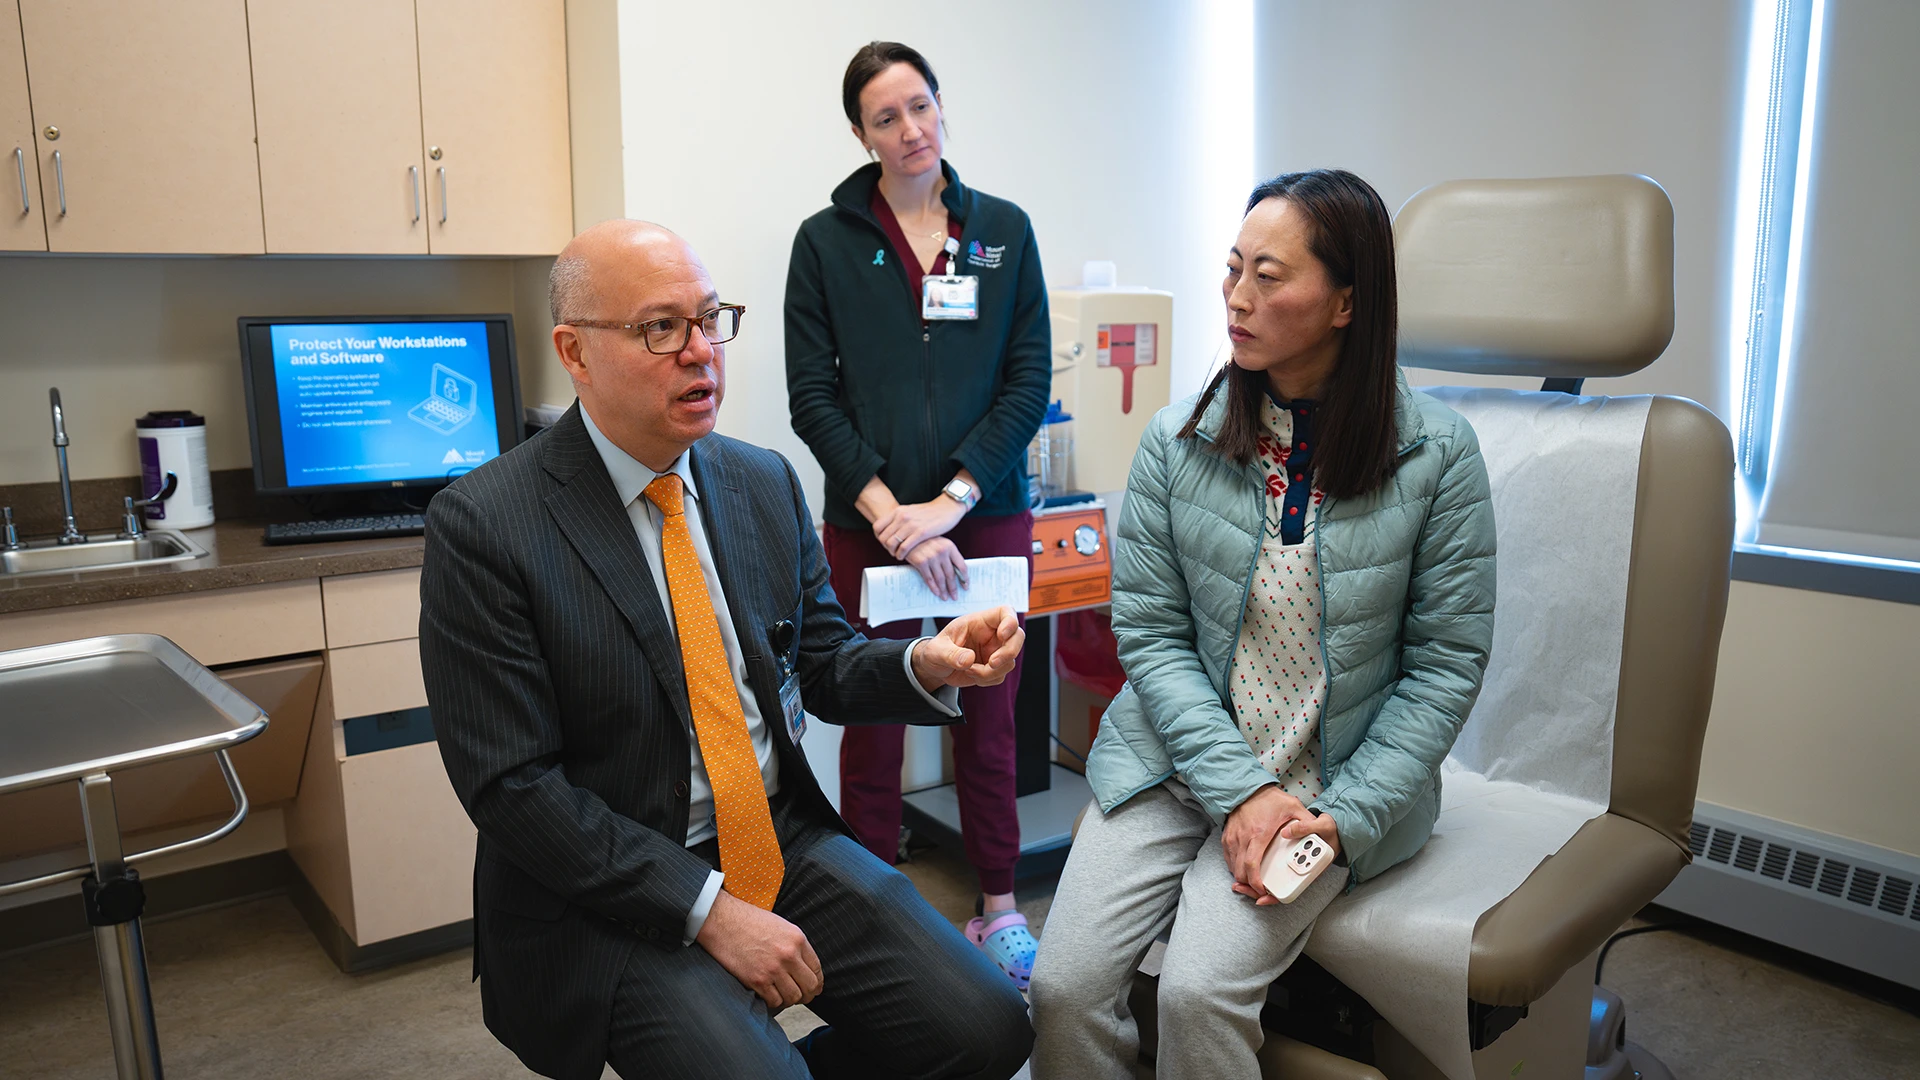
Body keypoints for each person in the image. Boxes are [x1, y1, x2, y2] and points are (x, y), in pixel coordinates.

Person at [419, 219, 1034, 1080]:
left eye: (711, 319)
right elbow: (513, 789)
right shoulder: (487, 525)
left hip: (774, 837)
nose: (701, 352)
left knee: (992, 1027)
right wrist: (705, 910)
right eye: (660, 328)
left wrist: (923, 664)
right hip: (612, 882)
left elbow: (818, 662)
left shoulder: (758, 481)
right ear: (575, 352)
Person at [1027, 170, 1497, 1078]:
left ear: (1346, 302)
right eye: (1233, 269)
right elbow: (1154, 638)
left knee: (1198, 996)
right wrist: (1240, 790)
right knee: (1064, 988)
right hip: (1178, 761)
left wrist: (1338, 818)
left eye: (1270, 277)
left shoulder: (1437, 456)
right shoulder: (1178, 441)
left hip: (1330, 784)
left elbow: (1445, 669)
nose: (1237, 299)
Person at [784, 41, 1052, 989]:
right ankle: (873, 913)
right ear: (860, 133)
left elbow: (1026, 387)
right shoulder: (825, 243)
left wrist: (950, 502)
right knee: (874, 706)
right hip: (869, 523)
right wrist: (893, 514)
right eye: (886, 117)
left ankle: (1000, 908)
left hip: (983, 512)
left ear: (944, 109)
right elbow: (812, 398)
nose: (911, 130)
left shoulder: (1003, 233)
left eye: (921, 107)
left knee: (991, 706)